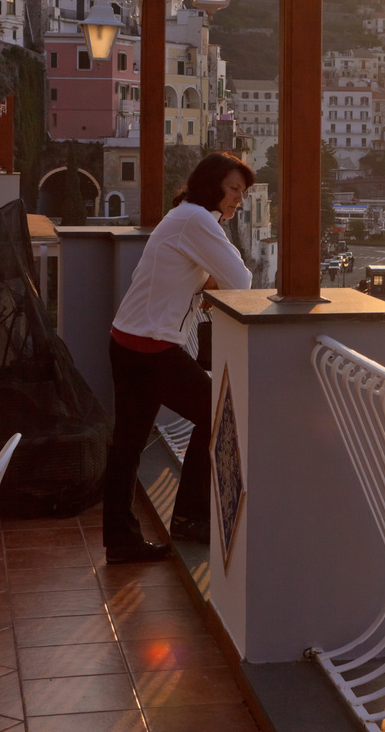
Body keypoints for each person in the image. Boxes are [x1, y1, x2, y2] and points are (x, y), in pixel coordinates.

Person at [103, 152, 254, 564]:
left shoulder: (184, 215)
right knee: (216, 413)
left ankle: (119, 540)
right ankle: (189, 517)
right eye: (234, 189)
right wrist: (211, 283)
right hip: (150, 347)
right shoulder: (197, 220)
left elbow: (189, 274)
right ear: (212, 186)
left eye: (243, 191)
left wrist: (203, 284)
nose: (239, 199)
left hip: (128, 340)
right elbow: (241, 280)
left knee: (128, 445)